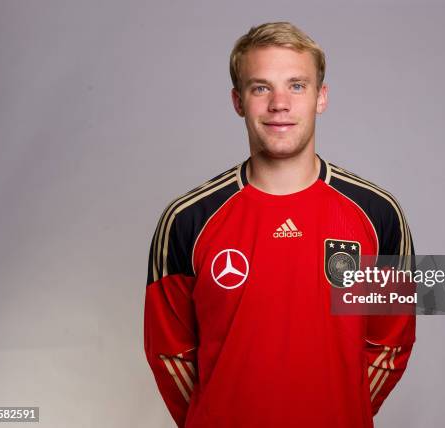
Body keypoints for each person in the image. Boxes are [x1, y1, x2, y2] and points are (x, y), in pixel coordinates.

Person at [144, 21, 415, 428]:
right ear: (238, 101)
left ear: (321, 98)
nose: (279, 104)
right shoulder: (187, 220)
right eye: (260, 87)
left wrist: (340, 410)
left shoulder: (377, 213)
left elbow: (390, 342)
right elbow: (169, 352)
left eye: (297, 86)